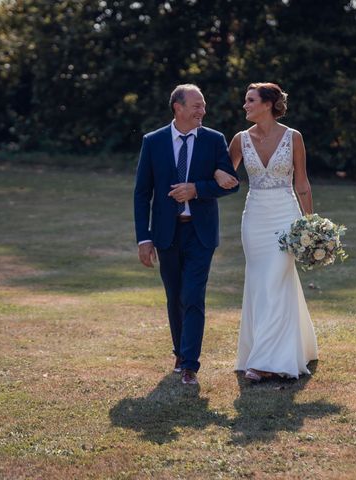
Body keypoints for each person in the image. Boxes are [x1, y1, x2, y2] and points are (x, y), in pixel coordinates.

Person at [134, 84, 239, 385]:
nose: (202, 111)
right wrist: (144, 238)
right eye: (196, 106)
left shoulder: (214, 140)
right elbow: (142, 194)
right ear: (177, 107)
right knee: (174, 296)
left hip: (200, 233)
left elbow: (233, 184)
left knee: (193, 295)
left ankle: (190, 364)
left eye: (203, 105)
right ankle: (180, 351)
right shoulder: (153, 142)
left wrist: (198, 188)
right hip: (166, 233)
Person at [214, 82, 318, 382]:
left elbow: (302, 183)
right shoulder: (240, 139)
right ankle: (272, 350)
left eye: (250, 100)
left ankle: (264, 362)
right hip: (255, 219)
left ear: (268, 103)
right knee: (261, 283)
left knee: (275, 280)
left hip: (286, 216)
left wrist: (310, 226)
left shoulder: (293, 137)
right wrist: (216, 173)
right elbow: (225, 174)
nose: (245, 105)